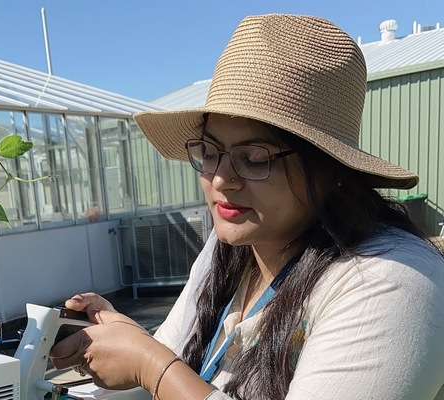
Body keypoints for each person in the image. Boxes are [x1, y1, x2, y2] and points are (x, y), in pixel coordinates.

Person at [49, 14, 444, 400]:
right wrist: (128, 341)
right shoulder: (229, 251)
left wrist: (150, 366)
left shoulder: (390, 282)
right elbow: (174, 362)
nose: (220, 179)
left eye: (255, 157)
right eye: (208, 151)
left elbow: (163, 371)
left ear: (332, 168)